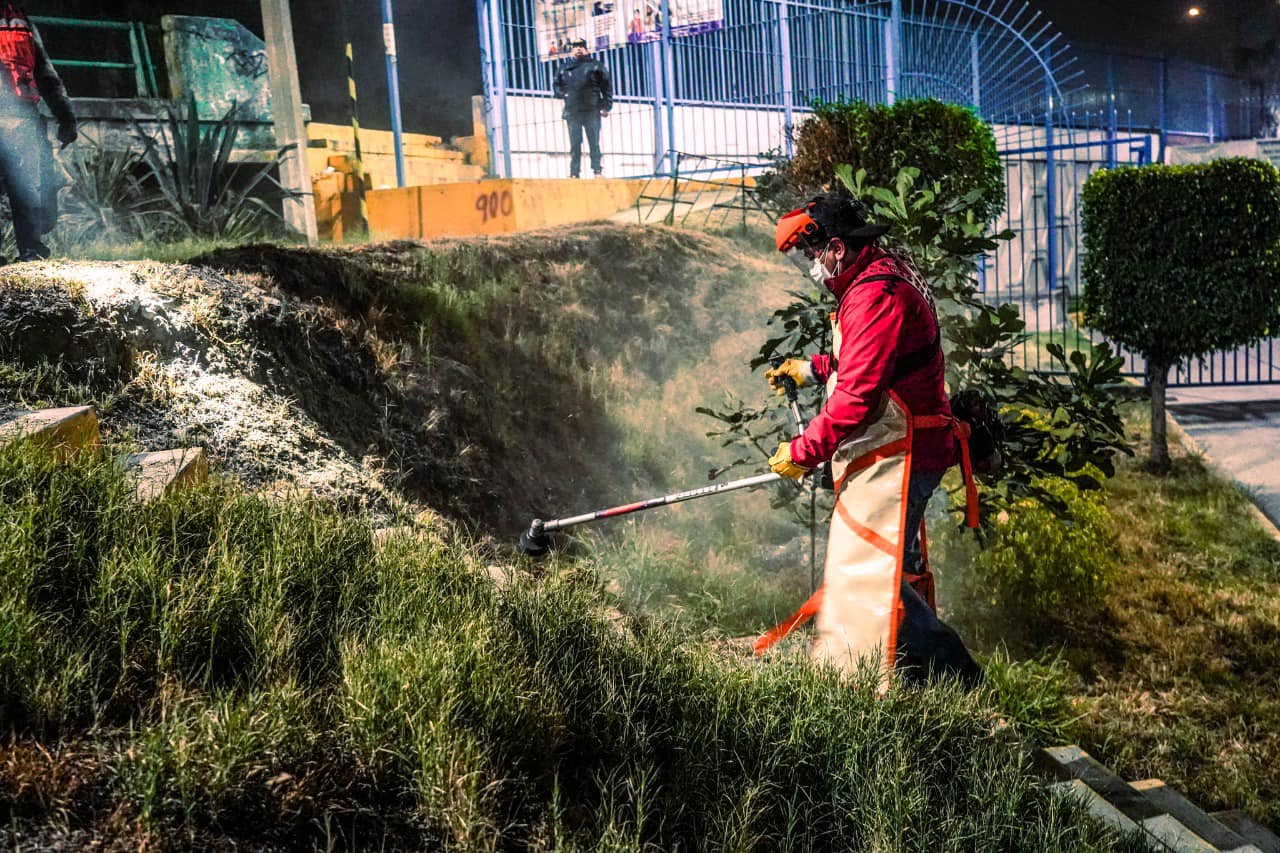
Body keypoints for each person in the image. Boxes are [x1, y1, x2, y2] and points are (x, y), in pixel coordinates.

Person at [759, 194, 983, 690]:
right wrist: (812, 368)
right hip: (902, 450)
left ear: (836, 247)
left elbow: (859, 394)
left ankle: (958, 679)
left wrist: (803, 451)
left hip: (907, 456)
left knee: (877, 575)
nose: (811, 266)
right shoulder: (877, 272)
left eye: (813, 254)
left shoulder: (874, 294)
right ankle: (914, 681)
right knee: (892, 568)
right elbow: (872, 361)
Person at [0, 3, 75, 262]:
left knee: (32, 191)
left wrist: (65, 116)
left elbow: (43, 71)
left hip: (22, 118)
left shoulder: (20, 19)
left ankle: (31, 255)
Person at [553, 37, 611, 178]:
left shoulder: (596, 66)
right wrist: (566, 94)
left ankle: (597, 170)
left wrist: (606, 106)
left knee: (594, 142)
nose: (578, 48)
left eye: (581, 46)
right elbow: (556, 87)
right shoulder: (564, 68)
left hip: (592, 109)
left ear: (586, 48)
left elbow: (607, 87)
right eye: (575, 46)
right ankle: (574, 172)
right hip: (573, 110)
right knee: (575, 143)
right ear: (571, 49)